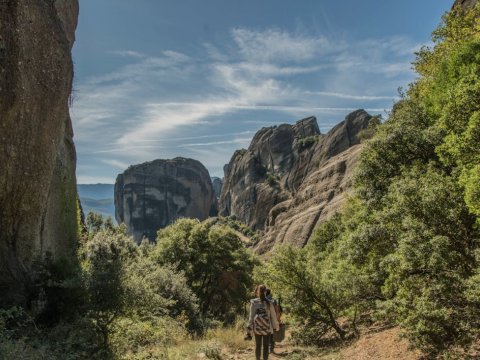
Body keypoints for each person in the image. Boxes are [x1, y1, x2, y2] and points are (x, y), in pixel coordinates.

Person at [247, 284, 279, 360]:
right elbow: (273, 316)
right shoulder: (269, 302)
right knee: (266, 346)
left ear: (258, 292)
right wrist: (276, 327)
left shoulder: (254, 302)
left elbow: (251, 317)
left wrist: (249, 328)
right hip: (267, 328)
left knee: (258, 346)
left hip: (257, 328)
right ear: (265, 292)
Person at [266, 288, 282, 353]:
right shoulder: (273, 300)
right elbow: (277, 311)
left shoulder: (261, 300)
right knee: (272, 333)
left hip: (264, 319)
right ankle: (271, 348)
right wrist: (278, 319)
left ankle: (267, 347)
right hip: (273, 318)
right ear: (270, 293)